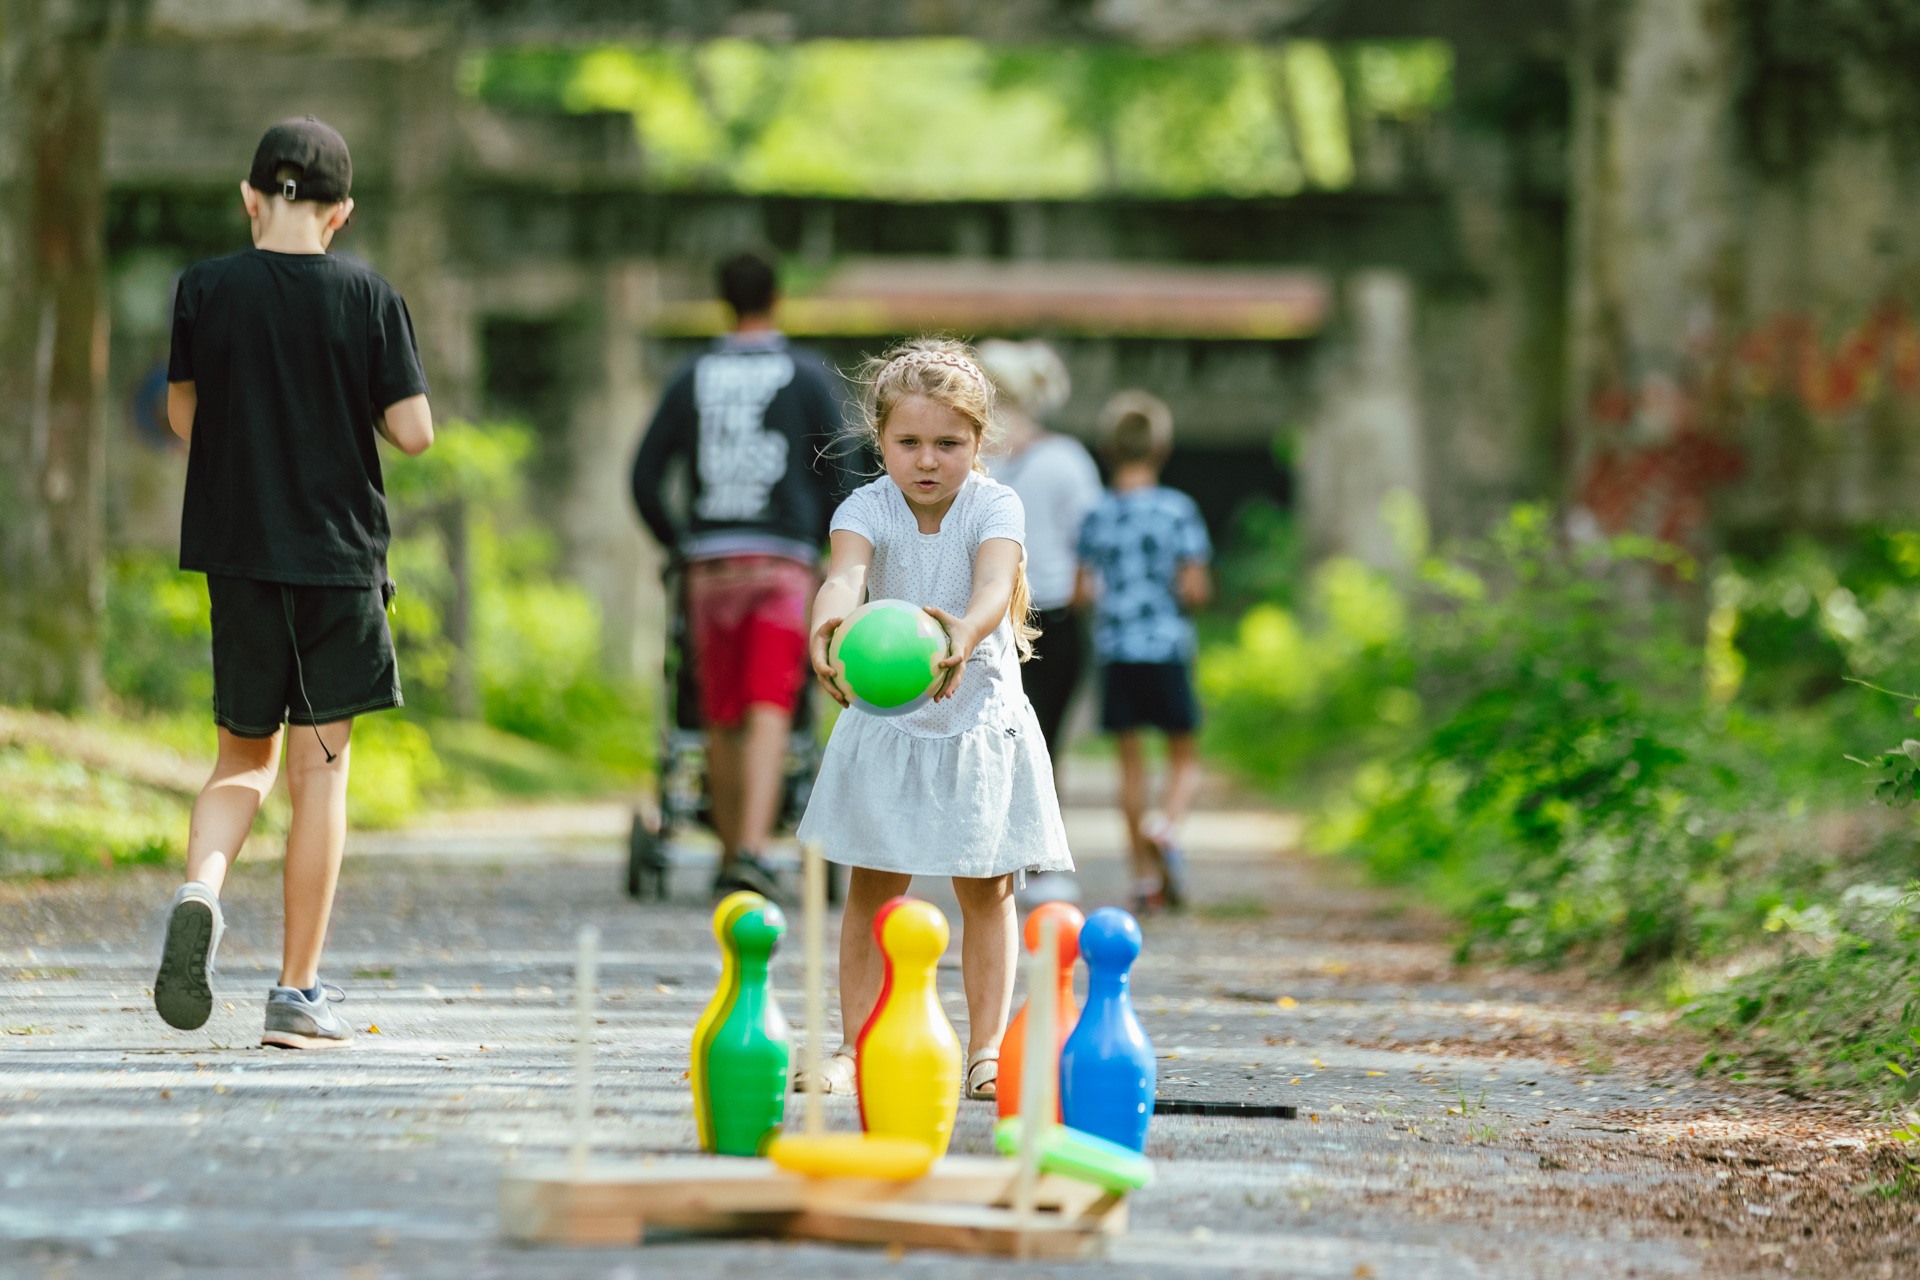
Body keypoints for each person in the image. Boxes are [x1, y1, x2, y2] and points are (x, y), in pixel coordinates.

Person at [154, 117, 434, 1049]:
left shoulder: (204, 288)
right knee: (320, 774)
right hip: (336, 561)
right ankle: (296, 994)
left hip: (237, 556)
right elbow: (415, 430)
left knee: (242, 760)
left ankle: (202, 888)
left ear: (249, 199)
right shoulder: (368, 297)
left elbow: (182, 412)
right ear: (340, 212)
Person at [795, 338, 1073, 1102]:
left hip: (977, 708)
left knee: (985, 887)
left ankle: (985, 1049)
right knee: (873, 887)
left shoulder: (996, 503)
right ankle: (856, 1045)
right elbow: (843, 578)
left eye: (948, 444)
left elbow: (992, 585)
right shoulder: (865, 505)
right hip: (889, 719)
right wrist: (827, 630)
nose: (926, 460)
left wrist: (963, 632)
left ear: (979, 442)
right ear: (880, 439)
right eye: (908, 442)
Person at [632, 250, 846, 899]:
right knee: (770, 702)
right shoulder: (807, 375)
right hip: (782, 561)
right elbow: (840, 471)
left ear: (723, 299)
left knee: (719, 711)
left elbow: (644, 476)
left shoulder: (691, 375)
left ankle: (731, 853)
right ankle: (753, 849)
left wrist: (680, 541)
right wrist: (838, 550)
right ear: (776, 298)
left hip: (710, 563)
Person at [1075, 390, 1213, 915]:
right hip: (1168, 646)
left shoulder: (1098, 515)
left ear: (1108, 449)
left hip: (1117, 651)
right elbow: (1195, 588)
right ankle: (1168, 824)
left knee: (1130, 766)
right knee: (1184, 756)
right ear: (1160, 447)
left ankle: (1141, 880)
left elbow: (1082, 591)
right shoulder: (1179, 510)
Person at [978, 340, 1102, 766]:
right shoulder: (1068, 459)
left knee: (990, 741)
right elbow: (1091, 539)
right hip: (1055, 615)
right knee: (1044, 742)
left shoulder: (968, 458)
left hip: (985, 614)